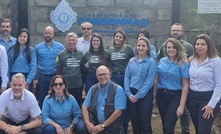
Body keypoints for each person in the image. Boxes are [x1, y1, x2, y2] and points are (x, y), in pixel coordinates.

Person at [156, 23, 192, 134]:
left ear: (178, 49)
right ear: (165, 49)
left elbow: (186, 85)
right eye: (168, 47)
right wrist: (154, 96)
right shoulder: (162, 61)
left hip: (175, 97)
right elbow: (157, 80)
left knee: (168, 127)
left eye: (173, 47)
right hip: (161, 96)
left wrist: (181, 106)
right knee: (165, 125)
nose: (171, 49)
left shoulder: (183, 64)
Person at [76, 65, 126, 134]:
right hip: (95, 124)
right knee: (80, 126)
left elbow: (118, 112)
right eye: (99, 75)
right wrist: (87, 123)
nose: (102, 77)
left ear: (109, 75)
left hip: (111, 127)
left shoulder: (118, 89)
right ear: (96, 77)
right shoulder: (93, 88)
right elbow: (84, 106)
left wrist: (103, 126)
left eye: (104, 74)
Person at [187, 34, 221, 134]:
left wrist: (211, 105)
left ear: (209, 46)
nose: (199, 46)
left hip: (208, 99)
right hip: (192, 99)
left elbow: (219, 85)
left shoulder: (216, 61)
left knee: (203, 131)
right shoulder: (191, 61)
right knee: (198, 129)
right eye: (197, 44)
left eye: (203, 44)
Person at [124, 37, 156, 134]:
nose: (140, 48)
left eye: (143, 46)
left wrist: (138, 96)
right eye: (139, 45)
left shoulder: (151, 62)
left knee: (145, 124)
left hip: (145, 96)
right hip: (131, 95)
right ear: (136, 47)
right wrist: (128, 93)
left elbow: (149, 82)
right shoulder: (131, 61)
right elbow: (127, 78)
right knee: (135, 123)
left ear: (147, 48)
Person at [109, 28, 133, 133]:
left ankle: (125, 127)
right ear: (114, 38)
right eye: (116, 36)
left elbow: (132, 62)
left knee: (125, 103)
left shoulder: (128, 49)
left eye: (120, 37)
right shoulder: (109, 50)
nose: (118, 38)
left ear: (123, 39)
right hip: (114, 78)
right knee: (115, 102)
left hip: (125, 77)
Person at [35, 26, 64, 109]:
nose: (48, 35)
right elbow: (36, 62)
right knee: (42, 97)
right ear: (43, 34)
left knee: (57, 96)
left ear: (53, 34)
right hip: (43, 76)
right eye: (46, 33)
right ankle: (42, 117)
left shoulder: (60, 47)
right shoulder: (38, 48)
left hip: (55, 76)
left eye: (49, 33)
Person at [56, 32, 83, 108]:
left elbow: (82, 68)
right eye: (70, 40)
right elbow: (58, 71)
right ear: (66, 41)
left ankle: (77, 119)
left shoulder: (80, 54)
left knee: (77, 105)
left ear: (76, 41)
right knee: (66, 104)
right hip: (66, 85)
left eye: (73, 40)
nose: (71, 42)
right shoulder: (60, 54)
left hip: (78, 84)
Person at [8, 28, 36, 92]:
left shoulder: (31, 50)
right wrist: (9, 81)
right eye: (20, 36)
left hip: (26, 77)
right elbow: (8, 66)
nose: (22, 38)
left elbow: (33, 67)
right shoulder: (11, 49)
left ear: (27, 38)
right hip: (13, 77)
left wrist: (27, 81)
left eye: (24, 37)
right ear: (17, 37)